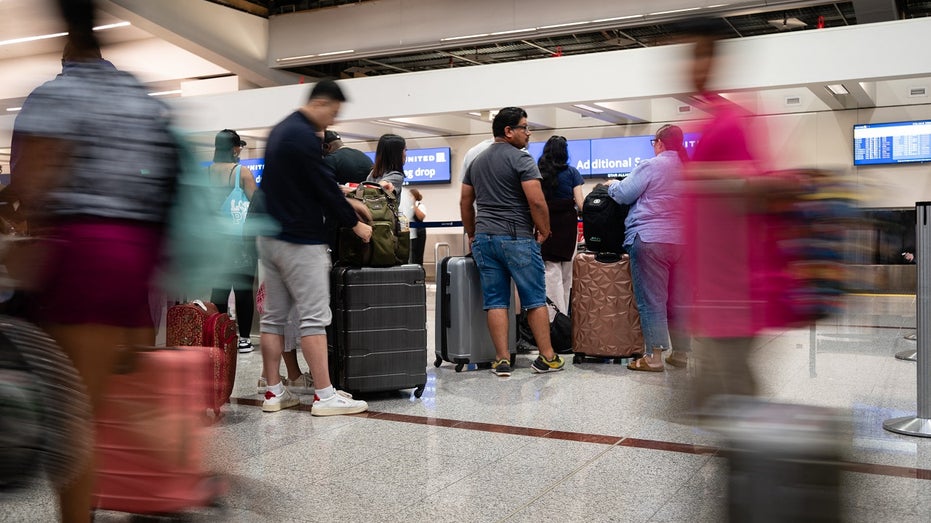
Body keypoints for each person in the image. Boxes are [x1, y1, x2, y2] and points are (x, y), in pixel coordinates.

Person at [9, 0, 180, 520]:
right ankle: (183, 475)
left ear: (63, 40)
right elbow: (169, 184)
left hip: (85, 256)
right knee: (124, 389)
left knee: (74, 415)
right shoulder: (141, 96)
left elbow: (30, 186)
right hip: (141, 259)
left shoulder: (55, 95)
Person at [681, 22, 790, 410]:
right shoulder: (714, 120)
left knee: (731, 394)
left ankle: (762, 463)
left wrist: (702, 176)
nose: (689, 66)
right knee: (720, 394)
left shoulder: (730, 121)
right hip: (715, 289)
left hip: (733, 288)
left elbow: (760, 186)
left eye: (696, 54)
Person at [255, 79, 372, 415]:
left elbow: (305, 181)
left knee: (274, 319)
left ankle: (274, 392)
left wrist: (347, 197)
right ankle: (324, 394)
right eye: (333, 112)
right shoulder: (304, 136)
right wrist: (355, 223)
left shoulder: (280, 130)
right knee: (314, 318)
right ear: (321, 103)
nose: (332, 120)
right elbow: (321, 187)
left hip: (271, 236)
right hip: (300, 240)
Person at [460, 106, 566, 376]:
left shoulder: (476, 161)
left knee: (495, 300)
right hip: (517, 237)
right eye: (524, 127)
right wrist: (544, 229)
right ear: (508, 131)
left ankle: (501, 359)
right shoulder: (522, 159)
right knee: (533, 299)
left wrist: (472, 232)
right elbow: (536, 200)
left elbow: (465, 201)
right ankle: (547, 357)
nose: (528, 133)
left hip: (485, 238)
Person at [604, 124, 691, 372]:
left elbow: (623, 194)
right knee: (680, 300)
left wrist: (611, 184)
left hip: (651, 239)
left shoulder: (652, 165)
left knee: (653, 300)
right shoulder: (689, 168)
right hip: (684, 242)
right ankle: (682, 353)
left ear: (660, 143)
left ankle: (654, 358)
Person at [207, 129, 259, 353]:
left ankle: (219, 335)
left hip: (214, 242)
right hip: (240, 242)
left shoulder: (206, 172)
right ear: (235, 148)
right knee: (243, 291)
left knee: (218, 291)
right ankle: (244, 339)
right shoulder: (242, 173)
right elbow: (256, 205)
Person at [537, 136, 584, 321]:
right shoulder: (572, 172)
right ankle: (565, 320)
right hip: (567, 225)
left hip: (546, 223)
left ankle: (553, 319)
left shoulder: (539, 173)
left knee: (550, 272)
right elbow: (581, 203)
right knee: (567, 274)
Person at [366, 133, 407, 198]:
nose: (405, 154)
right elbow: (382, 186)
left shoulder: (373, 173)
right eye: (405, 150)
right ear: (397, 154)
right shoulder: (396, 176)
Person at [408, 188, 427, 264]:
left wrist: (414, 206)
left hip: (420, 233)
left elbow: (421, 217)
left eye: (410, 196)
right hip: (410, 233)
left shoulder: (420, 205)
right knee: (410, 254)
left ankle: (420, 272)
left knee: (419, 254)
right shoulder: (406, 207)